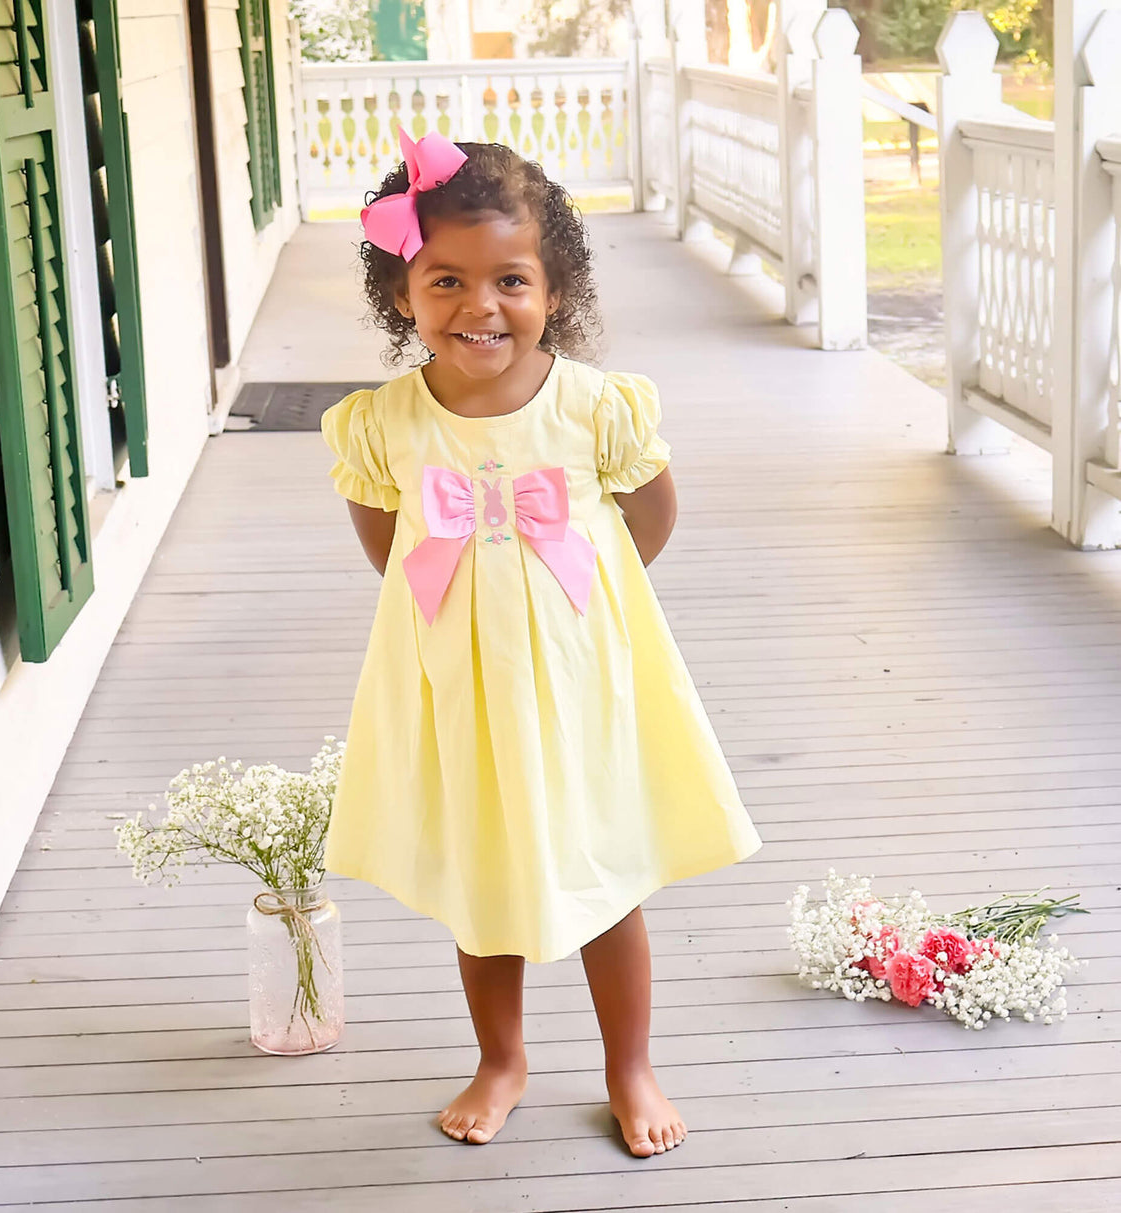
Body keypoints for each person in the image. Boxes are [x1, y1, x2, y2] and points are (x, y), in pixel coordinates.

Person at [320, 131, 763, 1158]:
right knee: (484, 878)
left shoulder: (593, 406)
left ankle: (629, 1064)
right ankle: (501, 1057)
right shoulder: (382, 424)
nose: (481, 307)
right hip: (455, 681)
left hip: (579, 677)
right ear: (402, 295)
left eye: (510, 279)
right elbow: (388, 545)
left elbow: (647, 516)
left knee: (602, 869)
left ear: (554, 290)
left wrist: (583, 613)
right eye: (446, 281)